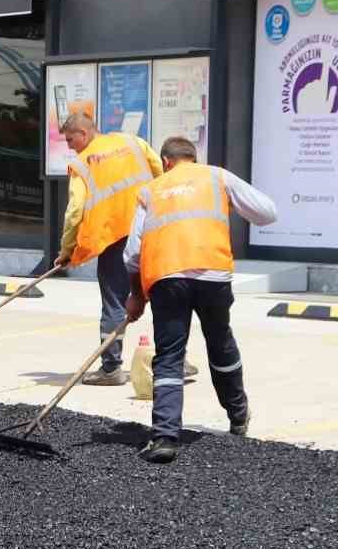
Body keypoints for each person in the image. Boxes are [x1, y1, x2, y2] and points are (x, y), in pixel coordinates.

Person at [123, 136, 277, 464]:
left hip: (167, 279)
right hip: (213, 275)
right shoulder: (217, 177)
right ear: (194, 158)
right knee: (220, 343)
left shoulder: (151, 190)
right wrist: (230, 204)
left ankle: (165, 437)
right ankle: (237, 416)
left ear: (166, 161)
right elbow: (267, 212)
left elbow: (133, 254)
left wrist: (136, 296)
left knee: (169, 356)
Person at [53, 111, 162, 386]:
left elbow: (75, 211)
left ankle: (111, 368)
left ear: (84, 133)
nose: (69, 146)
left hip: (115, 239)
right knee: (163, 294)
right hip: (149, 229)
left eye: (70, 140)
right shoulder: (133, 142)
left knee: (114, 301)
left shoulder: (83, 164)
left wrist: (67, 250)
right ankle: (174, 360)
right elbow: (158, 169)